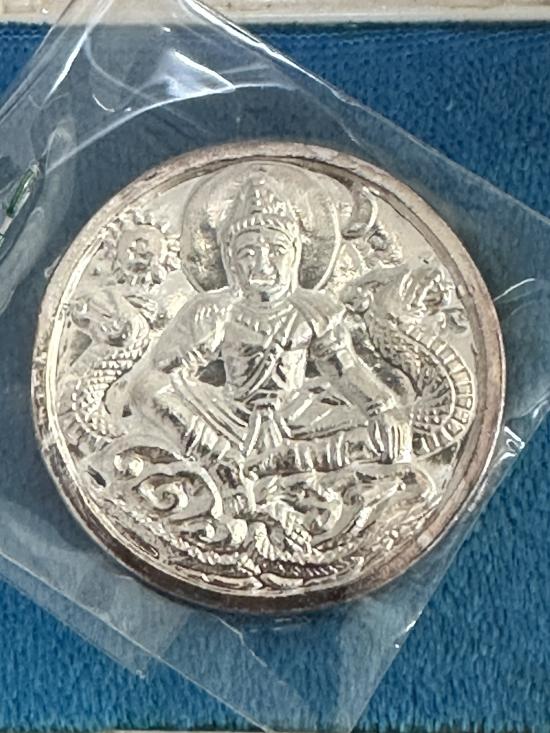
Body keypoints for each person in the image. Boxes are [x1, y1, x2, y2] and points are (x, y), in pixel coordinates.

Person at [130, 173, 411, 482]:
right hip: (228, 418)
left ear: (295, 254)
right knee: (147, 390)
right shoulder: (212, 310)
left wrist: (381, 407)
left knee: (387, 433)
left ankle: (268, 462)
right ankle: (219, 458)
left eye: (276, 250)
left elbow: (345, 370)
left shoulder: (315, 310)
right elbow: (161, 374)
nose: (263, 264)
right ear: (230, 260)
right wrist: (202, 341)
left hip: (297, 415)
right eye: (248, 253)